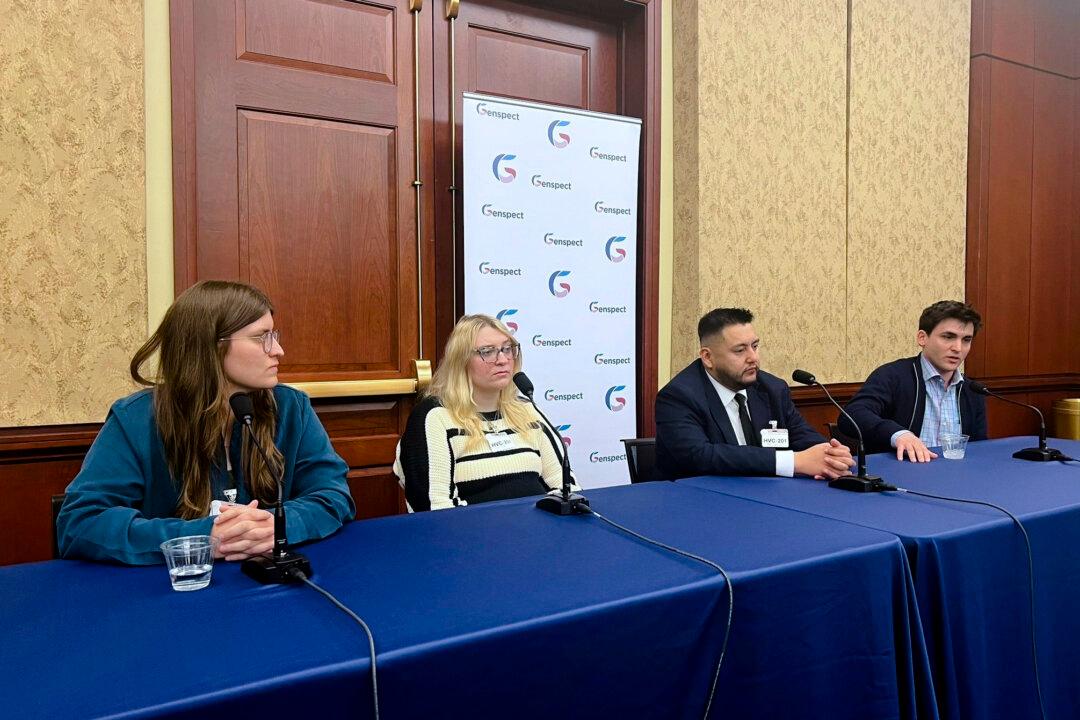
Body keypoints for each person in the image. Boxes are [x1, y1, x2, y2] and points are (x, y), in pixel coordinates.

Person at [56, 281, 355, 565]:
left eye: (274, 336)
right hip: (169, 596)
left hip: (267, 588)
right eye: (261, 337)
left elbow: (333, 496)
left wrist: (278, 525)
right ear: (210, 347)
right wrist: (202, 537)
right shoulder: (135, 419)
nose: (278, 351)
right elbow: (80, 522)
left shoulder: (292, 407)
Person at [394, 314, 575, 510]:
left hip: (539, 531)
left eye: (507, 349)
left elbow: (566, 487)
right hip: (471, 535)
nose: (503, 359)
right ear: (461, 361)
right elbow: (434, 506)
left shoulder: (526, 410)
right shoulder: (435, 416)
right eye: (487, 352)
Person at [655, 307, 855, 480]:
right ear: (708, 357)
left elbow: (800, 433)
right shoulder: (678, 397)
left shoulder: (772, 388)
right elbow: (701, 456)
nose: (753, 357)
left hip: (766, 496)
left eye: (755, 346)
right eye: (740, 350)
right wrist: (793, 461)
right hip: (700, 503)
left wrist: (829, 455)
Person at [839, 300, 987, 461]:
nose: (958, 348)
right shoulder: (893, 376)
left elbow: (978, 450)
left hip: (957, 476)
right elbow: (852, 415)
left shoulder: (972, 390)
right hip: (901, 474)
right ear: (922, 338)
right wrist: (899, 435)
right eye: (948, 337)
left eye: (966, 340)